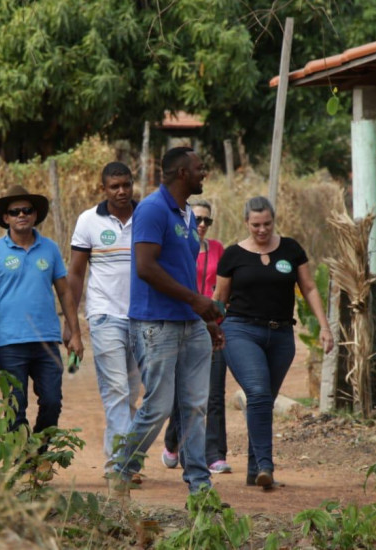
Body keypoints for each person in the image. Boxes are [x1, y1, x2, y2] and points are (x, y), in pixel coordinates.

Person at [110, 147, 224, 497]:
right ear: (180, 173)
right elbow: (145, 267)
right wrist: (196, 301)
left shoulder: (187, 214)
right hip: (155, 324)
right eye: (199, 168)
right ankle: (122, 469)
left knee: (194, 406)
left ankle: (200, 489)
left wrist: (204, 318)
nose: (204, 173)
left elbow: (185, 274)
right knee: (158, 406)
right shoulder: (152, 210)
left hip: (190, 324)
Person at [212, 196, 333, 490]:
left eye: (267, 223)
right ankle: (266, 465)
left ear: (274, 220)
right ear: (246, 223)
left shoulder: (291, 249)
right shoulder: (232, 255)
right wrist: (211, 330)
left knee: (262, 401)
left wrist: (325, 326)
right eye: (256, 225)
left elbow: (309, 287)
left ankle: (255, 471)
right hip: (240, 331)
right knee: (257, 392)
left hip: (280, 335)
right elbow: (219, 298)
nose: (262, 230)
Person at [0, 185, 84, 452]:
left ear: (35, 215)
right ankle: (22, 461)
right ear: (6, 218)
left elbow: (65, 291)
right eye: (15, 211)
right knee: (15, 405)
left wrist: (76, 333)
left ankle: (38, 452)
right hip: (10, 343)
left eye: (27, 210)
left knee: (51, 401)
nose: (21, 215)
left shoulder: (50, 249)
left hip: (47, 341)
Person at [65, 162, 142, 474]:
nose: (121, 191)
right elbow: (75, 273)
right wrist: (72, 326)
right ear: (103, 189)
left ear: (132, 184)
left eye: (126, 184)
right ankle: (120, 463)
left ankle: (123, 456)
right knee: (116, 391)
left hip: (142, 316)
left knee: (133, 392)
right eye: (114, 186)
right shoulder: (88, 221)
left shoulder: (147, 216)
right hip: (104, 315)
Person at [161, 199, 232, 475]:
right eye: (197, 219)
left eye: (207, 221)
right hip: (181, 325)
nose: (202, 225)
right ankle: (172, 442)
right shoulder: (175, 248)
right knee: (182, 392)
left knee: (213, 392)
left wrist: (215, 316)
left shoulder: (217, 249)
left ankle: (214, 454)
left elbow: (224, 286)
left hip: (212, 325)